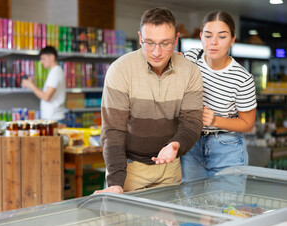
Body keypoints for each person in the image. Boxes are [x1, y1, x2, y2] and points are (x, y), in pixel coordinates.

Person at [94, 7, 203, 194]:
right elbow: (113, 130)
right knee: (126, 222)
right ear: (139, 38)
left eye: (165, 43)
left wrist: (175, 145)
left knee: (169, 222)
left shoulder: (190, 72)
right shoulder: (120, 70)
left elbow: (192, 121)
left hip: (170, 168)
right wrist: (116, 182)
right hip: (130, 170)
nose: (157, 52)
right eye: (149, 43)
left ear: (176, 40)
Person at [180, 10, 257, 182]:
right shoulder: (190, 58)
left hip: (227, 147)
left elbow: (248, 124)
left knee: (225, 207)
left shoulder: (243, 78)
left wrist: (214, 120)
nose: (213, 42)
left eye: (222, 37)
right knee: (192, 204)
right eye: (208, 36)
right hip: (191, 143)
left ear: (232, 39)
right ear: (200, 37)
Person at [22, 46, 66, 122]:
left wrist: (31, 86)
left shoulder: (56, 72)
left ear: (52, 57)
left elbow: (46, 97)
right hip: (52, 118)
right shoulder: (54, 71)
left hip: (54, 119)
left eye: (43, 58)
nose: (41, 62)